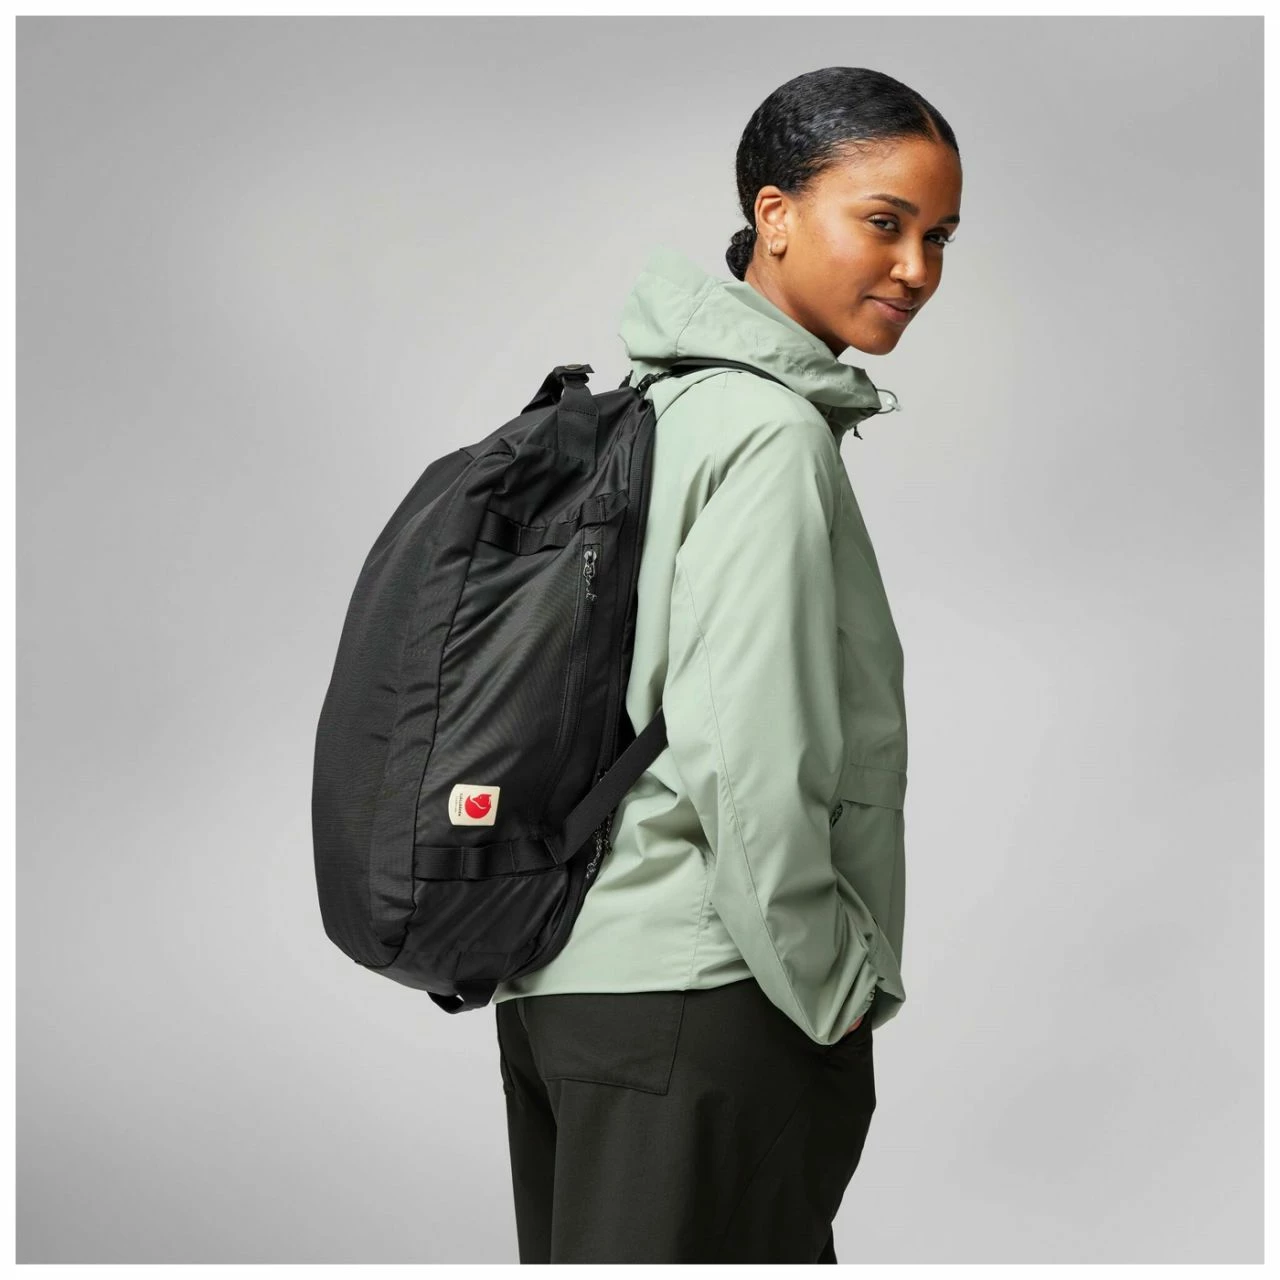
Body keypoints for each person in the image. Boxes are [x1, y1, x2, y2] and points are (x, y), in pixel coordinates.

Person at [491, 65, 963, 1264]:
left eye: (938, 236)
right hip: (703, 998)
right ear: (773, 215)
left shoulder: (657, 409)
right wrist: (830, 980)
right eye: (883, 221)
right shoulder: (766, 433)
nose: (915, 266)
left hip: (566, 992)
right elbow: (745, 744)